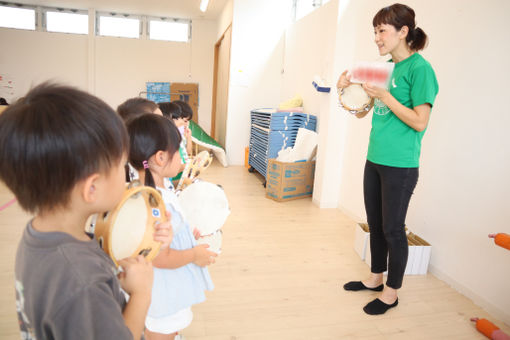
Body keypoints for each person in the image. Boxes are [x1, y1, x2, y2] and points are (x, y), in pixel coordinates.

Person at [0, 83, 172, 339]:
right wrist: (141, 293)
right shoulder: (82, 283)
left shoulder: (39, 235)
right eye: (120, 164)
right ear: (92, 188)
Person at [337, 3, 439, 315]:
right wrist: (346, 92)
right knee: (376, 225)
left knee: (393, 229)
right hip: (375, 158)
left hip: (401, 165)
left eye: (382, 30)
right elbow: (363, 112)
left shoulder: (420, 69)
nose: (377, 38)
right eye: (375, 31)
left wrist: (385, 96)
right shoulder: (384, 68)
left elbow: (420, 121)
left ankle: (391, 292)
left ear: (403, 31)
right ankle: (374, 279)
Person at [126, 114, 217, 340]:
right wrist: (194, 253)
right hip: (162, 292)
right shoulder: (156, 203)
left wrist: (186, 236)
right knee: (163, 329)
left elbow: (164, 237)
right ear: (160, 157)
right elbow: (160, 258)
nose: (182, 155)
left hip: (157, 289)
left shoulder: (148, 190)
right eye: (179, 149)